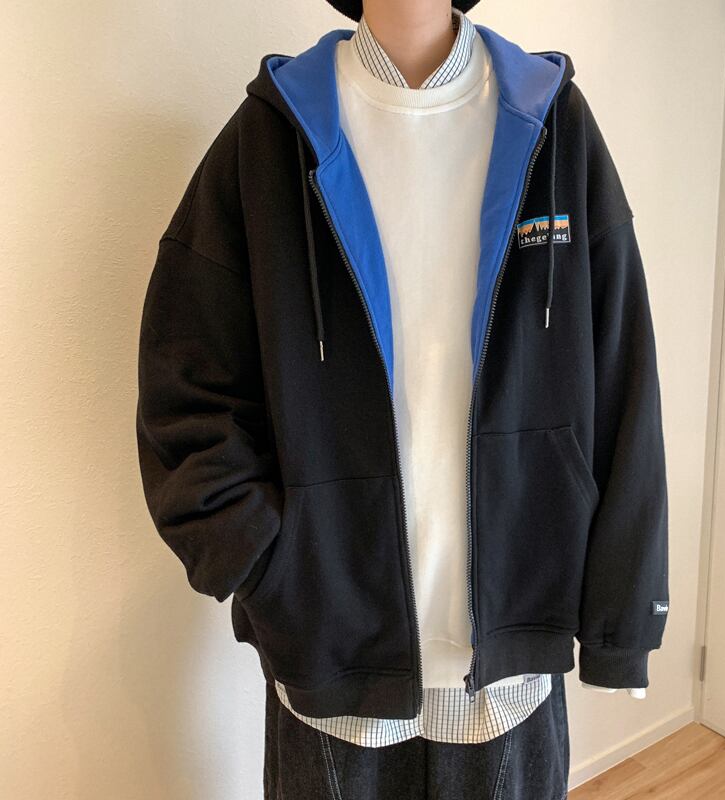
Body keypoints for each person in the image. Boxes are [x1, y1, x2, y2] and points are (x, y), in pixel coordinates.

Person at [136, 1, 670, 797]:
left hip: (508, 680)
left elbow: (624, 378)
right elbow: (184, 385)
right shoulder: (269, 136)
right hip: (331, 675)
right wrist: (265, 562)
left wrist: (624, 618)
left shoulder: (552, 124)